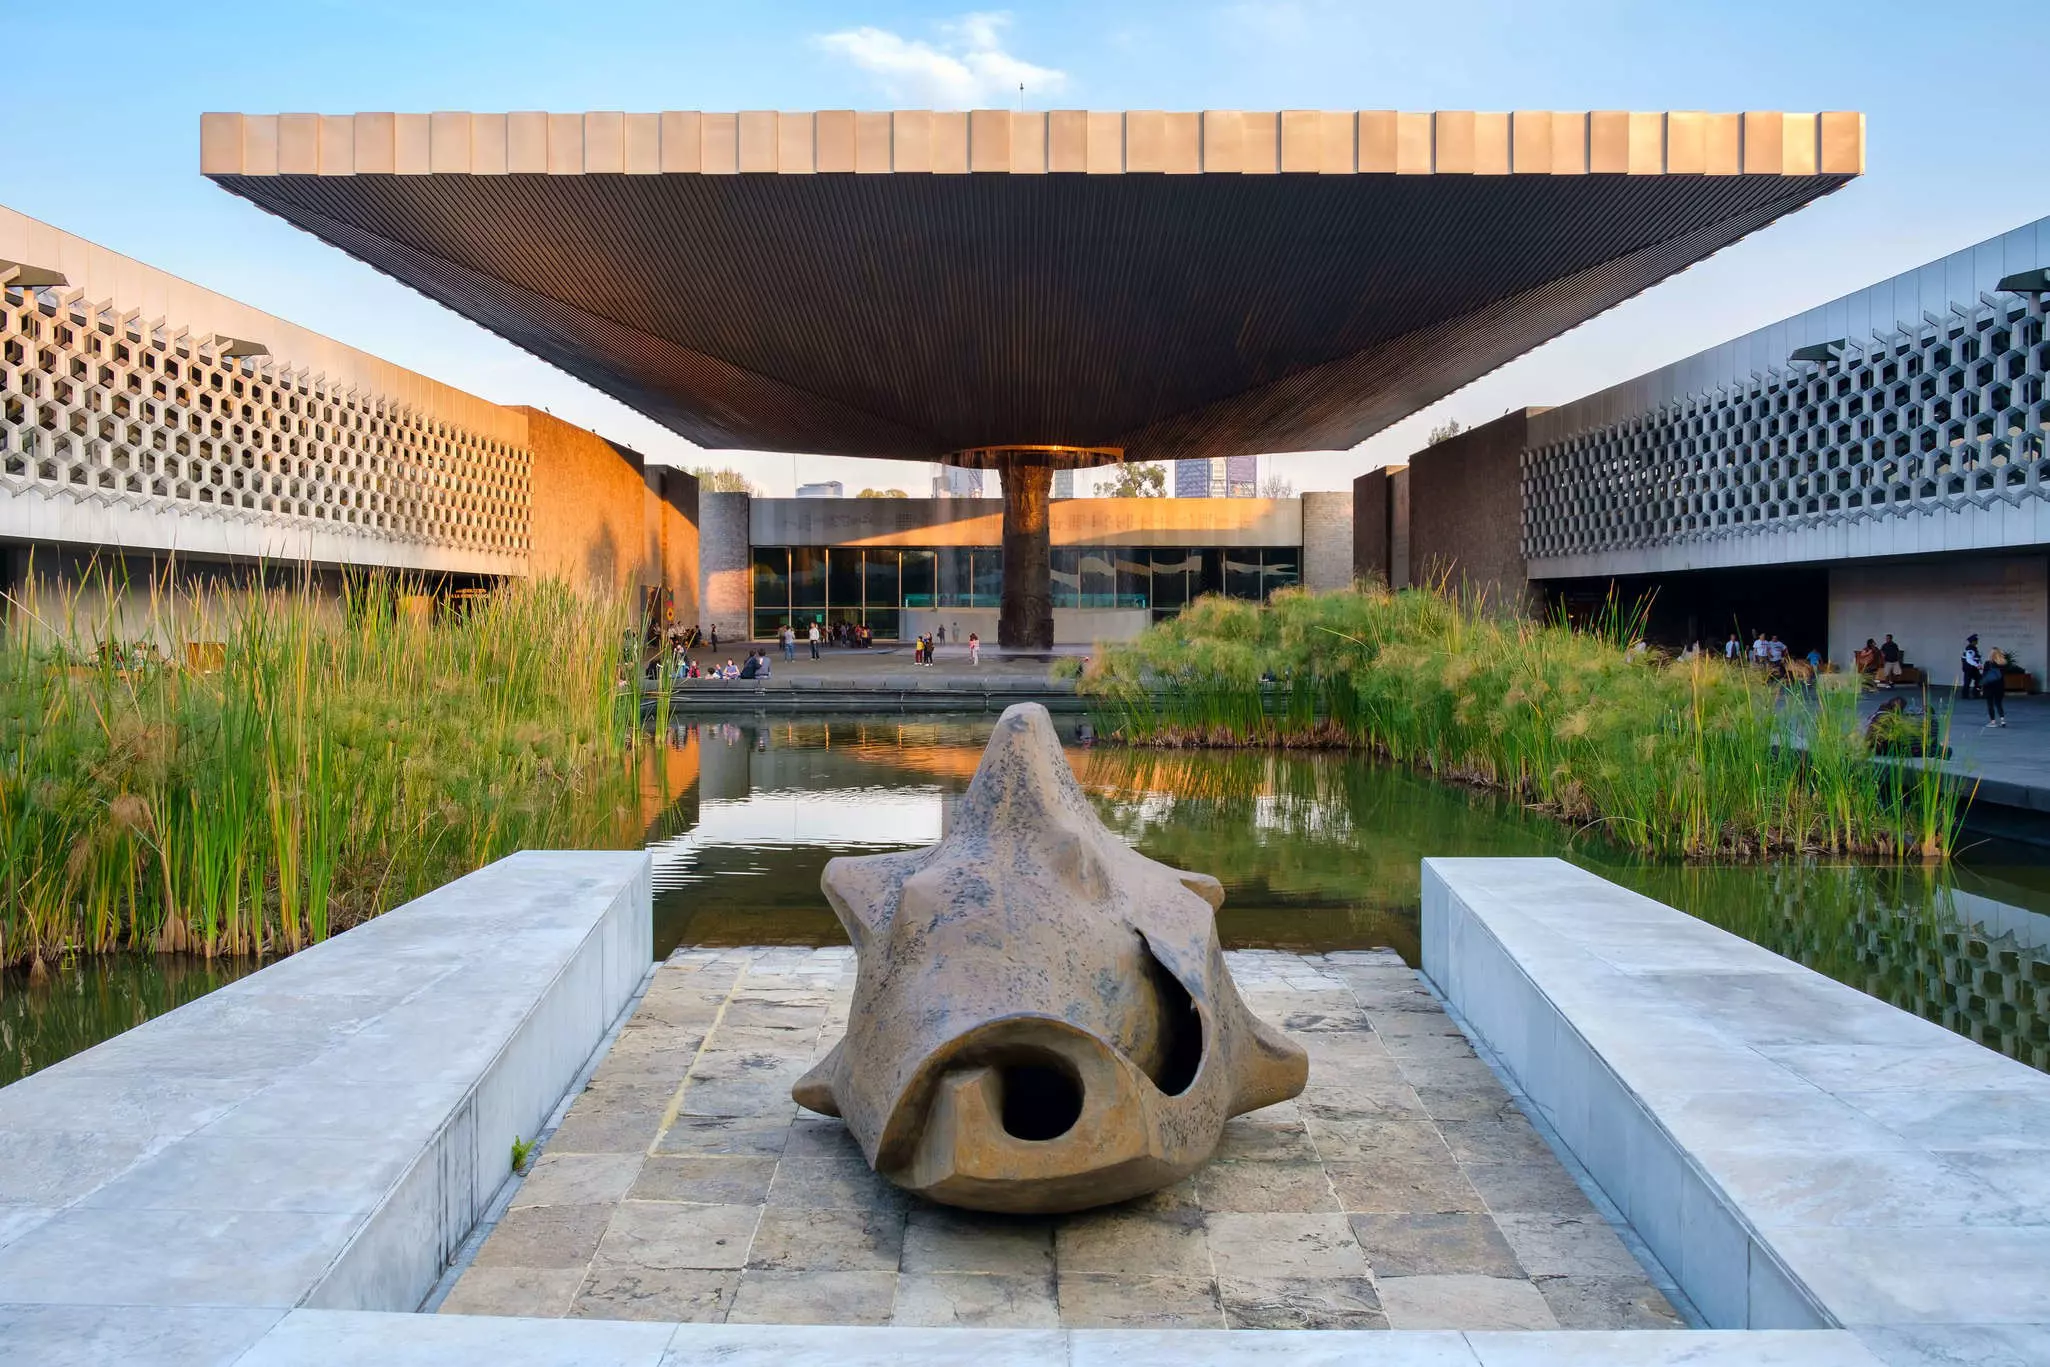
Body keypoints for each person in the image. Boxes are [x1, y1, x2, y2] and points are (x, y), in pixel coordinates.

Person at [1983, 648, 2007, 728]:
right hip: (2000, 686)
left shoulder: (1988, 664)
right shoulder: (2003, 664)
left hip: (1990, 686)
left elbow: (1985, 676)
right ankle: (2002, 720)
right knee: (1999, 703)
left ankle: (1993, 721)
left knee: (1990, 704)